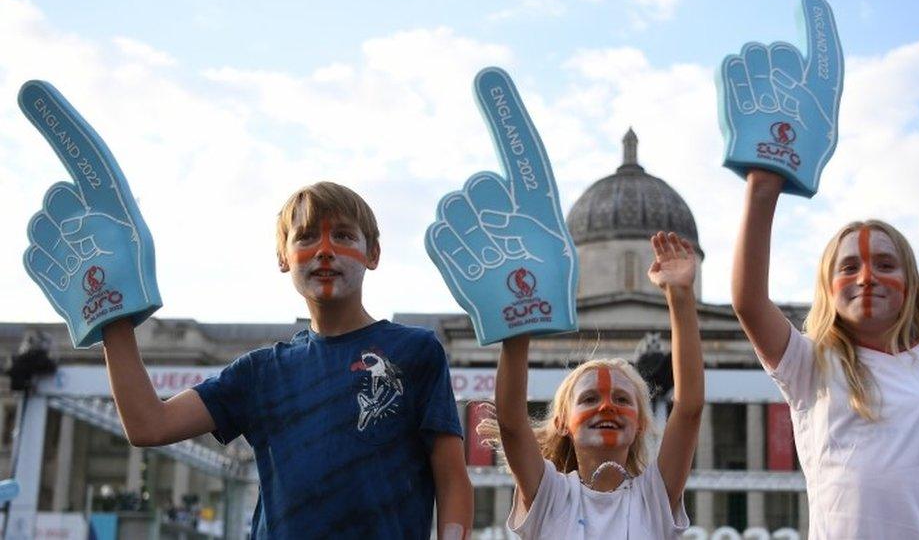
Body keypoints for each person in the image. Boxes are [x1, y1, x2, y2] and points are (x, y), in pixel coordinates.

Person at [100, 181, 472, 538]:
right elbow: (148, 425)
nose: (325, 250)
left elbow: (452, 477)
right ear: (283, 256)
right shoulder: (258, 374)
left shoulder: (416, 352)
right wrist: (111, 314)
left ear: (373, 253)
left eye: (343, 235)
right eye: (306, 237)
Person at [731, 169, 919, 538]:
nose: (866, 277)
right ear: (828, 289)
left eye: (885, 265)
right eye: (849, 267)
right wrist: (761, 192)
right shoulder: (809, 361)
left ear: (911, 285)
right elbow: (749, 302)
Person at [481, 232, 703, 539]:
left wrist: (680, 296)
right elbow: (512, 424)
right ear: (561, 423)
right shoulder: (550, 495)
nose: (606, 405)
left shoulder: (653, 496)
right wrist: (519, 328)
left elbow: (689, 408)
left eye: (623, 399)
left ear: (639, 423)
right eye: (588, 398)